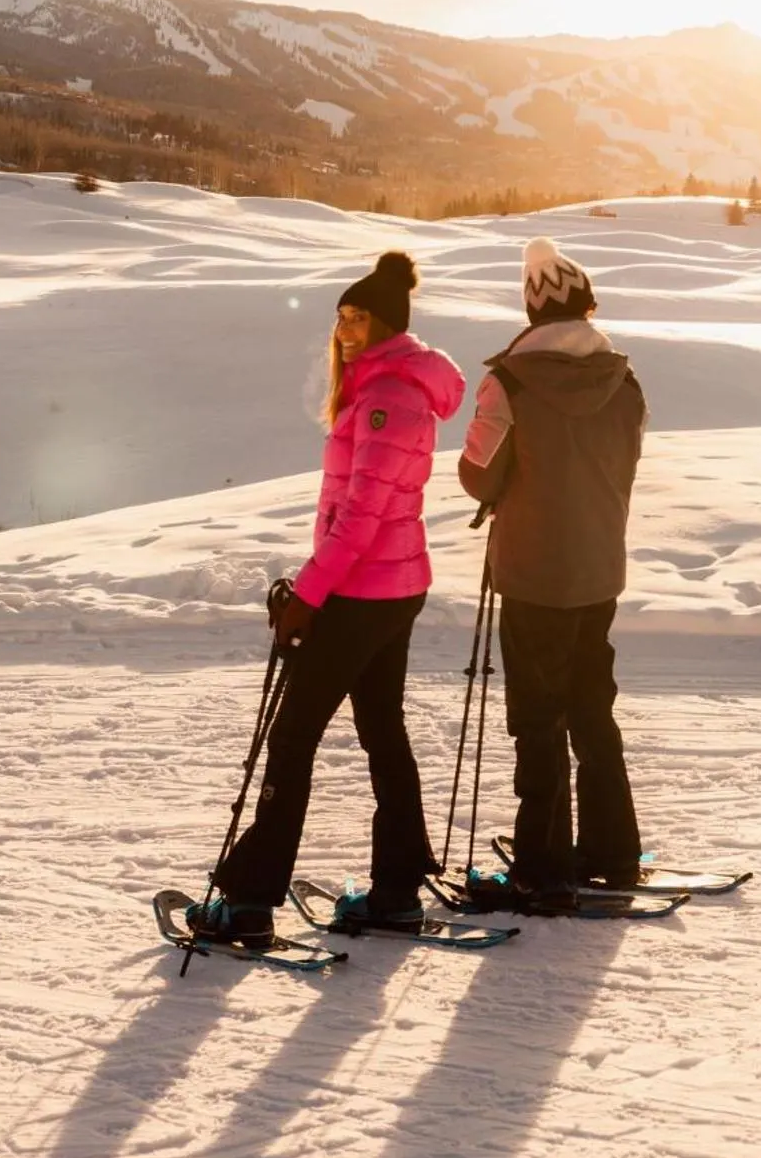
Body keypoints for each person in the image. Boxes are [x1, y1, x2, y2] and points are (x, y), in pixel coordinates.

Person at [188, 251, 465, 945]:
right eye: (340, 316)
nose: (343, 329)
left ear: (385, 323)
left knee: (292, 738)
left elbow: (361, 518)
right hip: (393, 585)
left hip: (364, 591)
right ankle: (396, 890)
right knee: (381, 731)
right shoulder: (388, 386)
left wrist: (307, 594)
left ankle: (250, 901)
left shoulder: (386, 400)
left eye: (356, 317)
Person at [458, 235, 646, 913]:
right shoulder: (623, 381)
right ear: (587, 304)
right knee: (593, 708)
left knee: (536, 717)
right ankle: (612, 850)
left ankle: (543, 865)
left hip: (534, 571)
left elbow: (479, 475)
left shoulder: (508, 381)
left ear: (532, 313)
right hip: (600, 567)